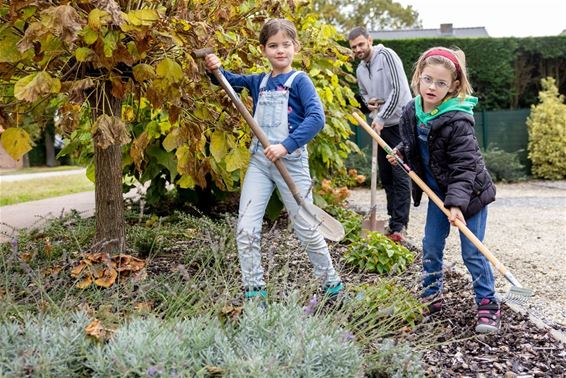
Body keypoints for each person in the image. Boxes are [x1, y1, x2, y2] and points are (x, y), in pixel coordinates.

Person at [204, 19, 343, 303]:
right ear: (263, 50)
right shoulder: (259, 82)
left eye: (286, 45)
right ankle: (255, 293)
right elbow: (226, 80)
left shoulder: (300, 81)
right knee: (246, 228)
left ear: (296, 47)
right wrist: (214, 67)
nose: (280, 51)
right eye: (273, 46)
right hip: (260, 163)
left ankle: (333, 287)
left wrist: (286, 146)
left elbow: (317, 118)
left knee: (306, 229)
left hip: (290, 163)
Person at [387, 47, 499, 333]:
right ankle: (432, 296)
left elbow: (465, 167)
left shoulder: (458, 120)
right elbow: (415, 144)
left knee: (472, 252)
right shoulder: (412, 110)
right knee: (431, 245)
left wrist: (458, 205)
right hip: (438, 196)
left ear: (453, 87)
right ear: (418, 77)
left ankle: (487, 303)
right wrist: (401, 152)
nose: (432, 87)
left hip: (469, 195)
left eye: (440, 83)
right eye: (427, 80)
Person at [348, 26, 412, 242]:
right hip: (381, 126)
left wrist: (382, 116)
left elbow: (399, 89)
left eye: (360, 44)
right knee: (386, 174)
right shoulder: (360, 70)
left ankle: (400, 225)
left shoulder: (387, 56)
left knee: (400, 172)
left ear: (369, 40)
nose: (358, 49)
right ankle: (393, 219)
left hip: (400, 121)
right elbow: (366, 96)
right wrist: (369, 103)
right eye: (354, 47)